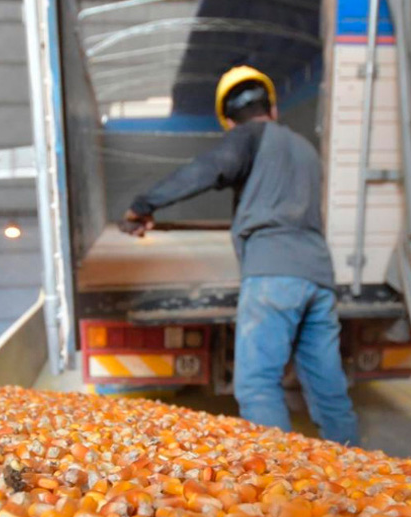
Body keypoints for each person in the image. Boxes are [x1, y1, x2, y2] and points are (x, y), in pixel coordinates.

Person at [120, 66, 359, 445]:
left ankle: (282, 484)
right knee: (328, 390)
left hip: (272, 276)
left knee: (257, 385)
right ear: (274, 109)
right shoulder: (306, 149)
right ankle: (356, 475)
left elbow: (205, 171)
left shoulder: (248, 137)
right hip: (318, 275)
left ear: (229, 122)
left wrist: (143, 205)